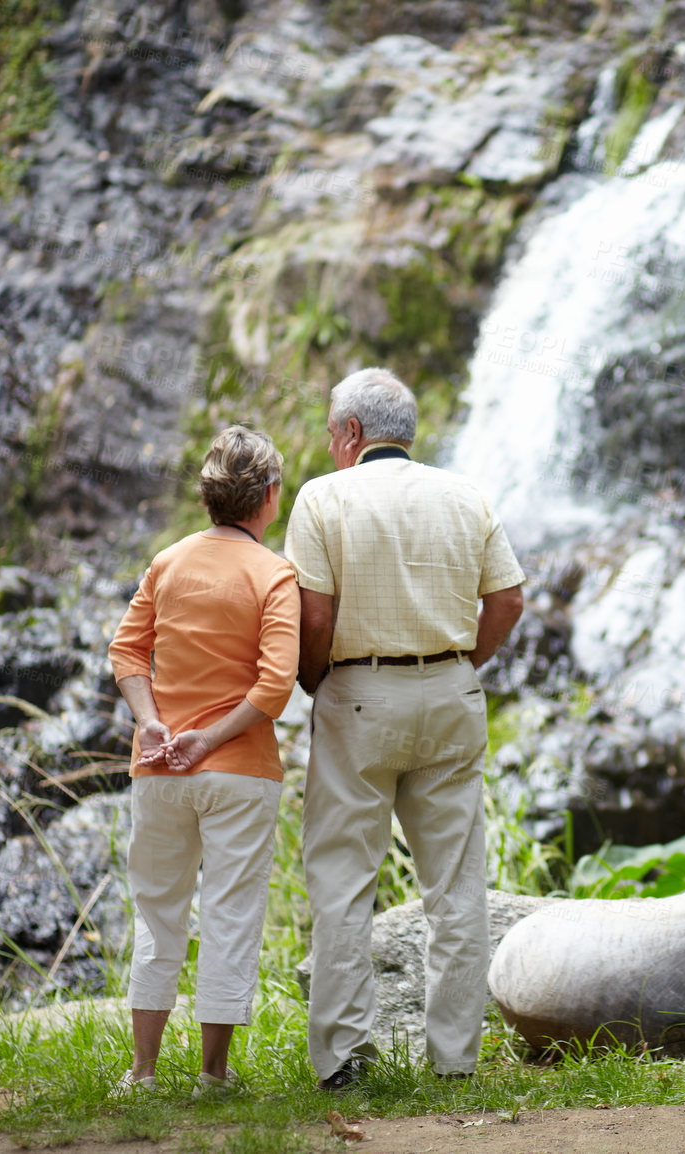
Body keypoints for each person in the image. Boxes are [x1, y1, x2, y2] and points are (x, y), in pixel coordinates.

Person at [286, 367, 525, 1091]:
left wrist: (318, 681)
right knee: (456, 887)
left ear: (352, 433)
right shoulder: (465, 494)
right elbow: (508, 600)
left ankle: (344, 1061)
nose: (331, 446)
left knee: (343, 881)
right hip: (453, 692)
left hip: (358, 691)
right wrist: (460, 664)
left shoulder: (321, 498)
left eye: (332, 432)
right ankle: (454, 1062)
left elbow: (316, 615)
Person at [107, 426, 300, 1098]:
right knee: (229, 915)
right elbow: (274, 689)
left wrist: (151, 719)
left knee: (158, 917)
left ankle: (142, 1073)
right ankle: (212, 1077)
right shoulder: (274, 574)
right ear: (269, 498)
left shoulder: (167, 562)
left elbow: (126, 654)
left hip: (157, 767)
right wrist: (213, 738)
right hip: (240, 769)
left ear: (211, 495)